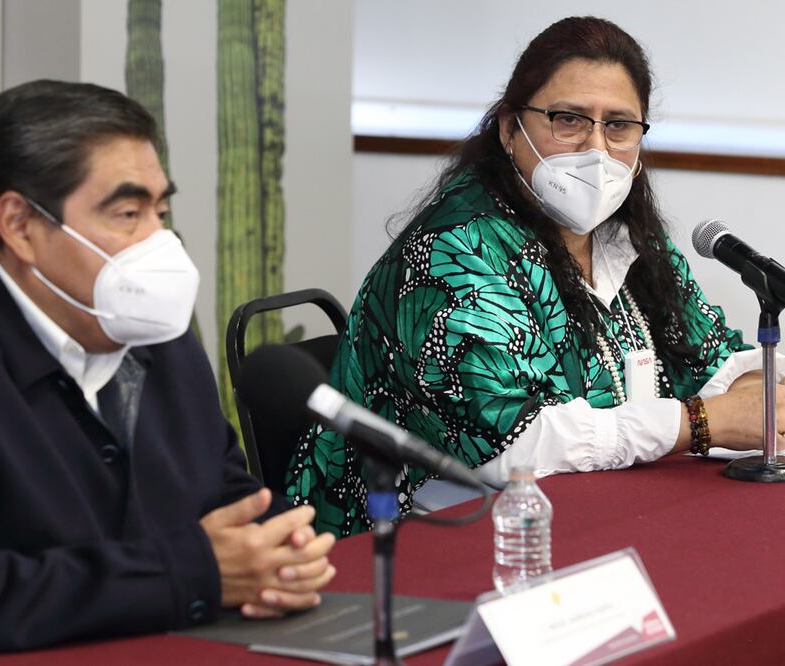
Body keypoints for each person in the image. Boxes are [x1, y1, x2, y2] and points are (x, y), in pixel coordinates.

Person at [286, 16, 785, 537]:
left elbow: (709, 362)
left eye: (618, 125)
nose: (596, 149)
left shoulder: (630, 243)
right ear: (509, 129)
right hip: (418, 540)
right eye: (568, 120)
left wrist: (760, 396)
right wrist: (704, 422)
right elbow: (510, 443)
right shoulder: (452, 249)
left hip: (589, 517)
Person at [0, 80, 335, 662]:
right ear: (20, 225)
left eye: (161, 210)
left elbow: (221, 487)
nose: (158, 244)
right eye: (128, 213)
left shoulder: (143, 320)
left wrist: (277, 545)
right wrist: (192, 573)